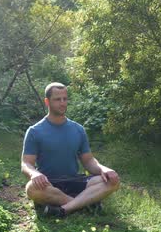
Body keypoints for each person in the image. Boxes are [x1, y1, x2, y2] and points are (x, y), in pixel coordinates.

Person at [21, 82, 120, 217]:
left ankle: (63, 209)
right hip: (49, 185)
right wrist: (34, 174)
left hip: (75, 181)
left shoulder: (78, 130)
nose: (62, 103)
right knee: (31, 189)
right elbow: (26, 163)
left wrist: (104, 169)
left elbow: (89, 161)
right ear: (47, 101)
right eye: (57, 99)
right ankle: (83, 204)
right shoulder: (34, 131)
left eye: (65, 99)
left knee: (112, 181)